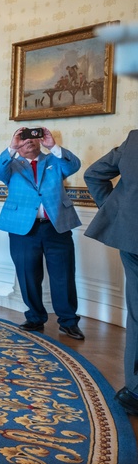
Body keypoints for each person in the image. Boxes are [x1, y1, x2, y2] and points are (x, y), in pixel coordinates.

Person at [0, 127, 84, 340]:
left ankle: (69, 322)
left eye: (33, 138)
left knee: (63, 275)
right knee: (27, 274)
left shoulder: (54, 161)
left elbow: (74, 165)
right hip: (23, 228)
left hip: (56, 226)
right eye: (22, 138)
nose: (28, 141)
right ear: (17, 143)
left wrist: (53, 145)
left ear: (39, 141)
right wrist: (12, 147)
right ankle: (35, 317)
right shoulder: (11, 165)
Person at [84, 131, 138, 416]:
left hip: (133, 238)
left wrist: (114, 212)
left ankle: (135, 390)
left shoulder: (135, 140)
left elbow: (94, 174)